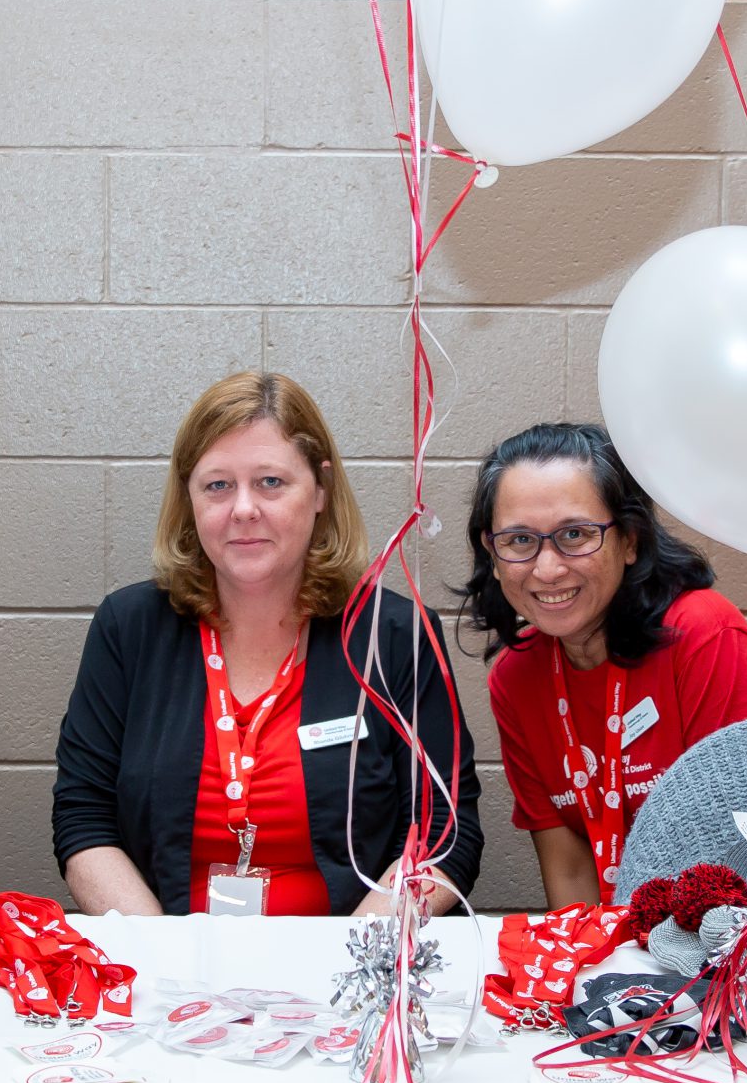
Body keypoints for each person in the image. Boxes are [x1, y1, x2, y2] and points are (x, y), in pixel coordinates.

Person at [53, 371, 481, 916]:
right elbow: (84, 817)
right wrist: (162, 952)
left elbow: (444, 832)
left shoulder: (392, 634)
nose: (243, 509)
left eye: (271, 482)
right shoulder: (129, 628)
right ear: (189, 498)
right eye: (217, 485)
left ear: (320, 489)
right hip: (169, 956)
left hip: (349, 951)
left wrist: (351, 955)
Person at [460, 423, 747, 909]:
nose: (547, 569)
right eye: (519, 540)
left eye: (575, 535)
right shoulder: (516, 676)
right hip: (624, 940)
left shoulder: (703, 634)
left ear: (631, 540)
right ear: (492, 553)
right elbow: (570, 873)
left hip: (737, 931)